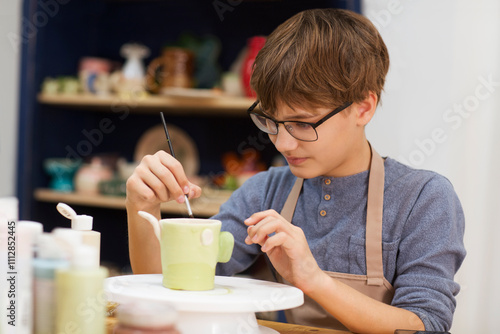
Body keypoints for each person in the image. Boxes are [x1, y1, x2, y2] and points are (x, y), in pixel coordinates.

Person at [126, 8, 466, 334]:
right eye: (272, 121)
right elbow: (172, 288)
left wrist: (314, 279)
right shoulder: (265, 192)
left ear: (363, 107)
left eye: (303, 123)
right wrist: (142, 207)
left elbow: (426, 326)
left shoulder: (423, 198)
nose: (283, 143)